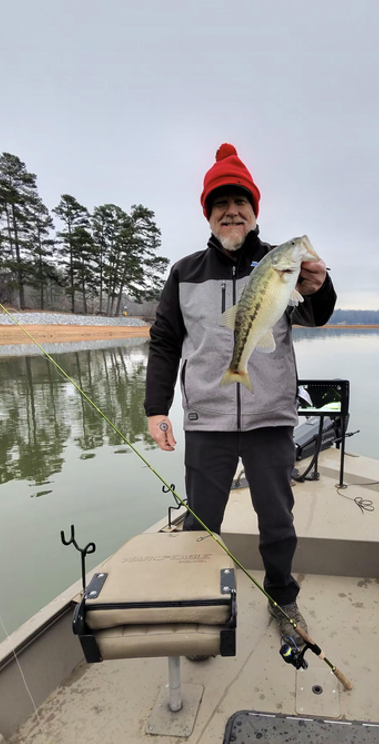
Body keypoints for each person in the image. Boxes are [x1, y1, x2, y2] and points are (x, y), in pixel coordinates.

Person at [144, 143, 337, 643]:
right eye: (221, 203)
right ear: (208, 214)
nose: (231, 211)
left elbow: (316, 314)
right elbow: (164, 342)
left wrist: (319, 286)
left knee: (277, 520)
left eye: (240, 202)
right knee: (201, 522)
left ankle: (283, 599)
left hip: (269, 416)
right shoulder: (184, 272)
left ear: (254, 211)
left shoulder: (280, 267)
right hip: (206, 419)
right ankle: (199, 603)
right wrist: (155, 409)